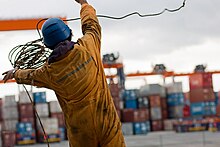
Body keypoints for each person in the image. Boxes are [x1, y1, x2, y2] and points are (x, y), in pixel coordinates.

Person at [2, 0, 126, 146]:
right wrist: (84, 5)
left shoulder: (49, 73)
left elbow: (30, 76)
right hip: (108, 129)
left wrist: (15, 73)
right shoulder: (89, 47)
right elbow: (91, 25)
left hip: (81, 137)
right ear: (70, 34)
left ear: (47, 45)